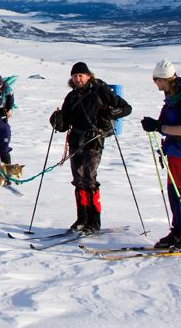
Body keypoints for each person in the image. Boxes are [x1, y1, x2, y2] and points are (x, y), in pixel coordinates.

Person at [49, 62, 131, 234]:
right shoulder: (71, 97)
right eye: (75, 76)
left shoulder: (100, 91)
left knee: (89, 179)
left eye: (81, 75)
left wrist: (109, 114)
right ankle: (82, 218)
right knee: (78, 179)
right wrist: (57, 121)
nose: (78, 79)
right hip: (75, 140)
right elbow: (65, 123)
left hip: (94, 140)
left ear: (88, 76)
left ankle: (94, 221)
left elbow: (125, 108)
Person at [141, 60, 181, 249]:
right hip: (174, 152)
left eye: (156, 80)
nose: (155, 84)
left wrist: (159, 126)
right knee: (175, 193)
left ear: (164, 79)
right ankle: (179, 231)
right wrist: (156, 125)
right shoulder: (173, 96)